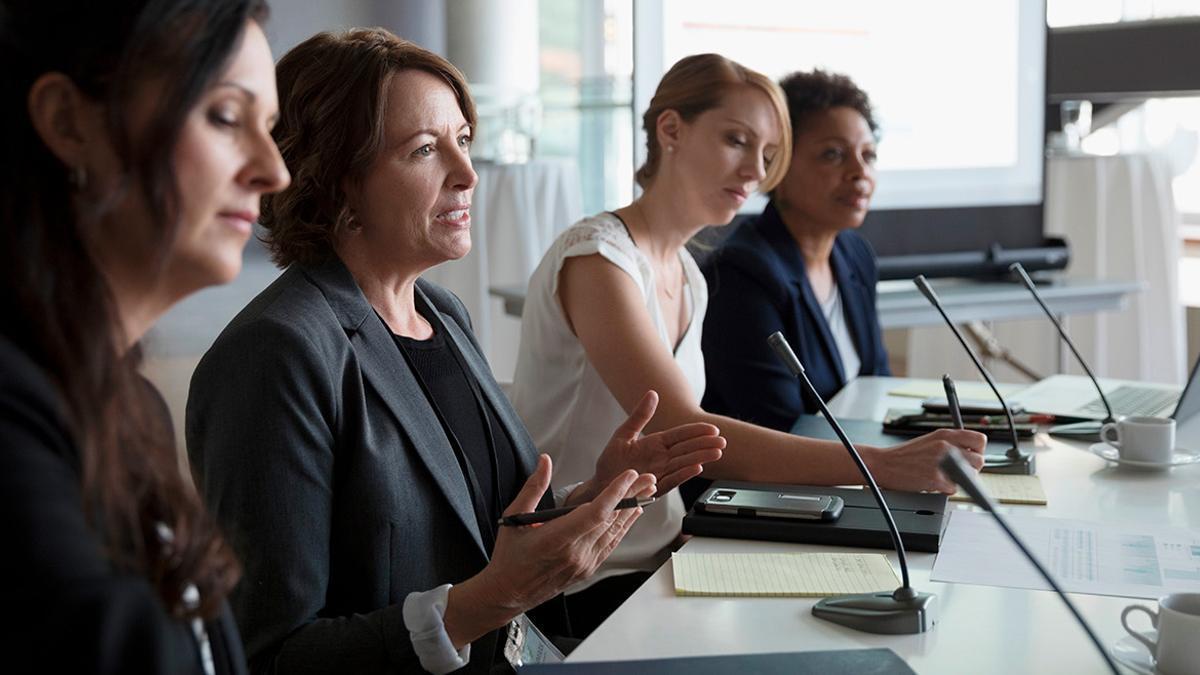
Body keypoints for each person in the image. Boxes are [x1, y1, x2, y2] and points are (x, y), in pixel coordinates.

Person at [185, 29, 724, 675]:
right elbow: (274, 656)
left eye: (463, 141)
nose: (468, 174)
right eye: (423, 150)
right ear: (336, 180)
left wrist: (589, 498)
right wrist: (493, 600)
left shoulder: (442, 312)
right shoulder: (278, 352)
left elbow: (476, 532)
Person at [511, 54, 988, 634]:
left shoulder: (688, 274)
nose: (755, 172)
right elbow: (681, 429)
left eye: (767, 156)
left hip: (660, 559)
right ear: (671, 130)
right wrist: (884, 466)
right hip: (579, 580)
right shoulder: (598, 258)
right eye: (736, 141)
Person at [0, 0, 290, 672]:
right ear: (70, 122)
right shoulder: (15, 414)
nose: (274, 170)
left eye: (269, 128)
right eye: (224, 116)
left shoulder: (131, 409)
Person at [703, 69, 890, 430]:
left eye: (868, 156)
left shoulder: (856, 255)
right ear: (778, 166)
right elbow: (776, 424)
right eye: (833, 154)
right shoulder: (742, 272)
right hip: (773, 480)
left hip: (854, 466)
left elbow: (878, 383)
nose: (858, 172)